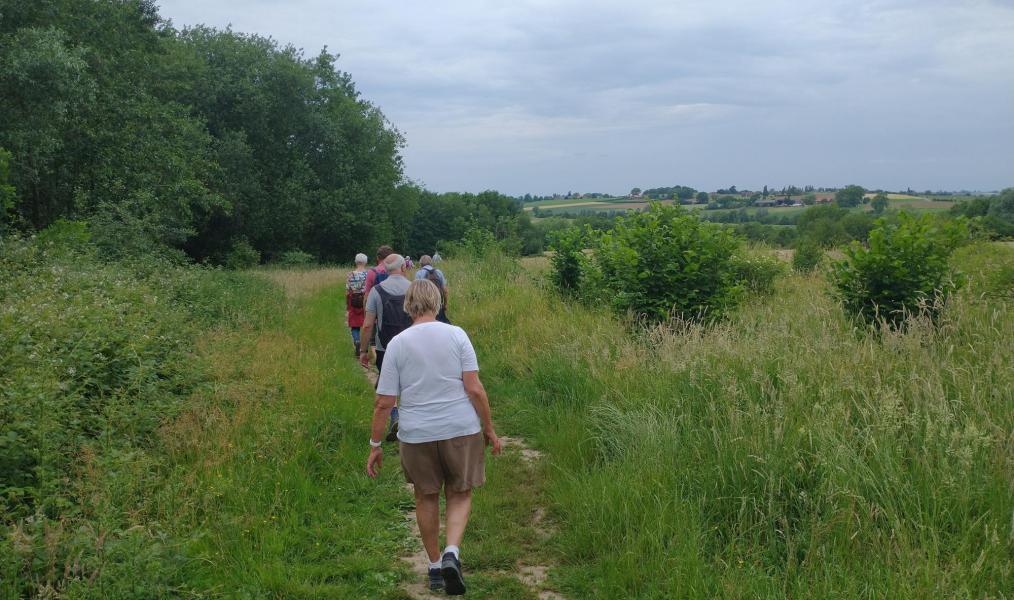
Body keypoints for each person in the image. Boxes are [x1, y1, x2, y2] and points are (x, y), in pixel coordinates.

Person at [366, 279, 501, 595]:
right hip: (460, 428)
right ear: (438, 302)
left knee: (425, 496)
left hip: (417, 434)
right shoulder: (457, 335)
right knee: (460, 492)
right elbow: (474, 388)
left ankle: (434, 565)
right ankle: (452, 551)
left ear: (407, 305)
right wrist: (490, 428)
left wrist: (375, 445)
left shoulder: (398, 343)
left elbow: (384, 401)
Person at [359, 253, 413, 440]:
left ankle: (395, 414)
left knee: (389, 383)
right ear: (404, 268)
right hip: (412, 345)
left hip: (385, 347)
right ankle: (411, 421)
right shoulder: (414, 289)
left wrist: (363, 351)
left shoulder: (376, 291)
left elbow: (367, 325)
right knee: (409, 382)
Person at [414, 255, 450, 323]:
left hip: (424, 304)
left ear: (420, 263)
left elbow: (416, 293)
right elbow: (445, 290)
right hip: (438, 303)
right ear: (431, 262)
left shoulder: (418, 273)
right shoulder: (439, 272)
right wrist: (445, 304)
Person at [346, 253, 369, 356]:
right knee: (366, 324)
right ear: (365, 262)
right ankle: (365, 346)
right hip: (365, 300)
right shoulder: (368, 274)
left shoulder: (350, 274)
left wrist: (348, 304)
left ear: (356, 261)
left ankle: (356, 341)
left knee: (354, 325)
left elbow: (347, 291)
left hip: (353, 300)